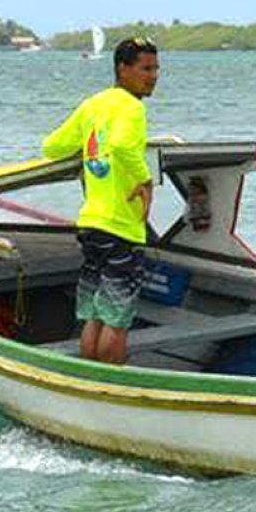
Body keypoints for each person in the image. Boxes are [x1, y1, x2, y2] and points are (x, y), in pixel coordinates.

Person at [42, 37, 159, 364]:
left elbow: (52, 147)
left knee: (95, 315)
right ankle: (112, 386)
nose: (153, 76)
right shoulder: (132, 107)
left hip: (92, 225)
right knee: (117, 320)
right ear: (123, 69)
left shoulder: (93, 104)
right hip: (121, 228)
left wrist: (88, 149)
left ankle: (90, 382)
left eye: (156, 68)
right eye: (146, 68)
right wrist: (144, 178)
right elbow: (122, 145)